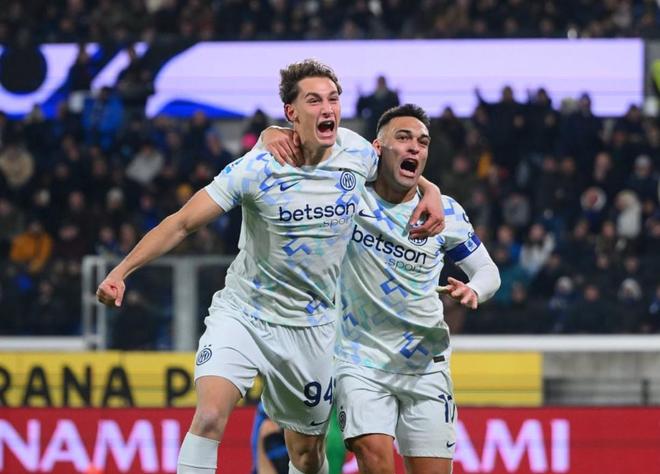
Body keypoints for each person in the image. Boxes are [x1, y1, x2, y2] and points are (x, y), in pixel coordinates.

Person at [96, 59, 444, 474]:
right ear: (291, 112)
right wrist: (121, 271)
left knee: (306, 455)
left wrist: (431, 190)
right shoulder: (257, 167)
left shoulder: (356, 153)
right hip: (245, 313)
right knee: (210, 415)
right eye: (314, 100)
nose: (327, 108)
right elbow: (182, 223)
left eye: (333, 99)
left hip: (312, 328)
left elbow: (400, 169)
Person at [335, 104, 500, 473]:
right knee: (373, 457)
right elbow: (324, 140)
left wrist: (474, 290)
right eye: (403, 137)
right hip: (360, 359)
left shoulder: (446, 213)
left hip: (426, 364)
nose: (415, 147)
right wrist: (271, 133)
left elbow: (488, 272)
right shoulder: (350, 197)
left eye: (422, 142)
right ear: (378, 148)